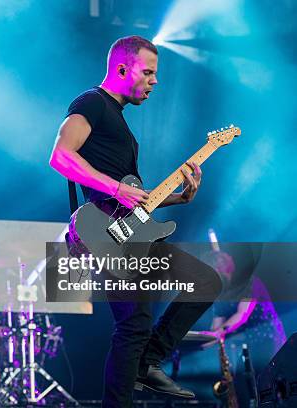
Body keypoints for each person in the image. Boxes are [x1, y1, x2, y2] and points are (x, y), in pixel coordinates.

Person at [49, 35, 222, 407]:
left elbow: (136, 206)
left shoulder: (121, 126)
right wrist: (116, 188)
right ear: (123, 68)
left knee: (206, 282)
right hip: (104, 235)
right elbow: (60, 156)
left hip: (130, 234)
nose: (154, 81)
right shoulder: (91, 103)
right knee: (133, 325)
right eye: (148, 72)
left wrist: (179, 197)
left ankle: (148, 362)